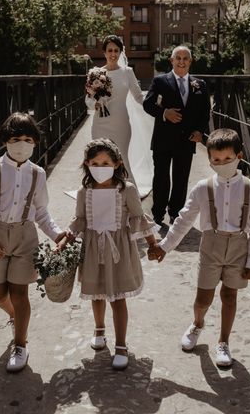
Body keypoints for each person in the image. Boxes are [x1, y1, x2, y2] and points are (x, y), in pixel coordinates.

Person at [148, 128, 250, 367]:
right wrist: (164, 246)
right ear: (210, 160)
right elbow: (183, 220)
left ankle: (223, 341)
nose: (222, 163)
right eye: (216, 160)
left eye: (227, 159)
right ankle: (197, 323)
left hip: (238, 247)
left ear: (239, 157)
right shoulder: (203, 187)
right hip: (211, 245)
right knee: (203, 297)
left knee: (229, 296)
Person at [0, 112, 67, 373]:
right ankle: (13, 315)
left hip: (26, 237)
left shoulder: (37, 174)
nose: (21, 144)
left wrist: (56, 233)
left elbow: (41, 212)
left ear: (35, 142)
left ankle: (20, 344)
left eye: (27, 139)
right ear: (5, 141)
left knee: (19, 292)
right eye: (16, 138)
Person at [57, 138, 158, 370]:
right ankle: (99, 329)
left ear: (117, 164)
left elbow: (138, 219)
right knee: (97, 294)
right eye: (94, 163)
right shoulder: (84, 191)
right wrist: (62, 243)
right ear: (87, 165)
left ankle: (121, 345)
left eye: (105, 163)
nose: (99, 168)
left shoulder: (127, 190)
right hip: (93, 249)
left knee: (118, 298)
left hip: (119, 251)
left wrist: (153, 244)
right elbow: (80, 220)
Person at [143, 45, 210, 225]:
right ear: (171, 61)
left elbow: (205, 112)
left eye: (185, 58)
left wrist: (200, 131)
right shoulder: (160, 81)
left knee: (181, 178)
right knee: (161, 178)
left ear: (190, 61)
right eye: (178, 58)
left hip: (186, 140)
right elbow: (148, 104)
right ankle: (158, 212)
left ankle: (175, 212)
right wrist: (165, 113)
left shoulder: (200, 85)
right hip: (163, 139)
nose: (181, 61)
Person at [85, 35, 153, 196]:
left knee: (120, 159)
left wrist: (157, 107)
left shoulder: (127, 72)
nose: (113, 54)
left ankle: (128, 195)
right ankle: (100, 194)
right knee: (98, 158)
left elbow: (138, 96)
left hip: (121, 124)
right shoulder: (96, 73)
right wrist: (94, 104)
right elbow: (88, 99)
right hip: (100, 123)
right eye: (110, 50)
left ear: (121, 52)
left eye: (116, 50)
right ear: (104, 52)